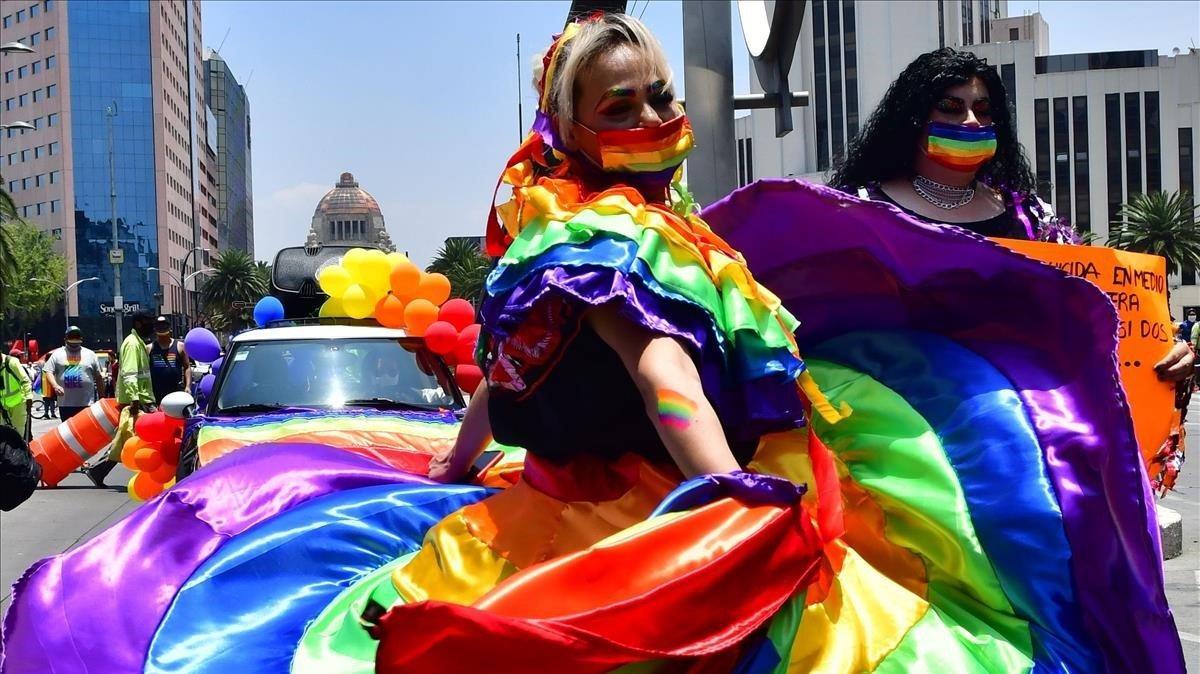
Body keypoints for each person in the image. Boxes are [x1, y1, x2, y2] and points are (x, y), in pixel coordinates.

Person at [830, 47, 1194, 384]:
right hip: (894, 428)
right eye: (950, 106)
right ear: (912, 119)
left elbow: (1094, 305)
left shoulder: (1030, 217)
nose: (971, 120)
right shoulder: (858, 211)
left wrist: (1167, 346)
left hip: (1021, 428)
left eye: (983, 109)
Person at [85, 313, 155, 487]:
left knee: (125, 439)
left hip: (141, 399)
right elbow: (130, 375)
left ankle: (98, 471)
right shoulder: (132, 344)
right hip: (137, 401)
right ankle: (152, 475)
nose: (151, 327)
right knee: (136, 438)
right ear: (138, 324)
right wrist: (134, 400)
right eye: (148, 323)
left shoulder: (137, 343)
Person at [42, 326, 104, 423]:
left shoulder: (90, 354)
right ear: (65, 339)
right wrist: (55, 386)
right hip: (66, 404)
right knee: (69, 433)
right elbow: (48, 371)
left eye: (76, 336)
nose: (74, 339)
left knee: (85, 431)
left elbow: (99, 377)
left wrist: (102, 398)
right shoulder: (57, 354)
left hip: (86, 403)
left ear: (81, 338)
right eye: (71, 336)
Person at [148, 316, 191, 404]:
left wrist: (188, 386)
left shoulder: (180, 346)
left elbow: (187, 367)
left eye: (164, 326)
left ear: (169, 328)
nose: (162, 329)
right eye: (159, 326)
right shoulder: (149, 348)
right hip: (157, 394)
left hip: (176, 392)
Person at [0, 348, 33, 440]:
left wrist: (29, 397)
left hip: (18, 404)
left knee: (18, 435)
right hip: (2, 406)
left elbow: (25, 380)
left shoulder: (12, 362)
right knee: (3, 437)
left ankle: (20, 452)